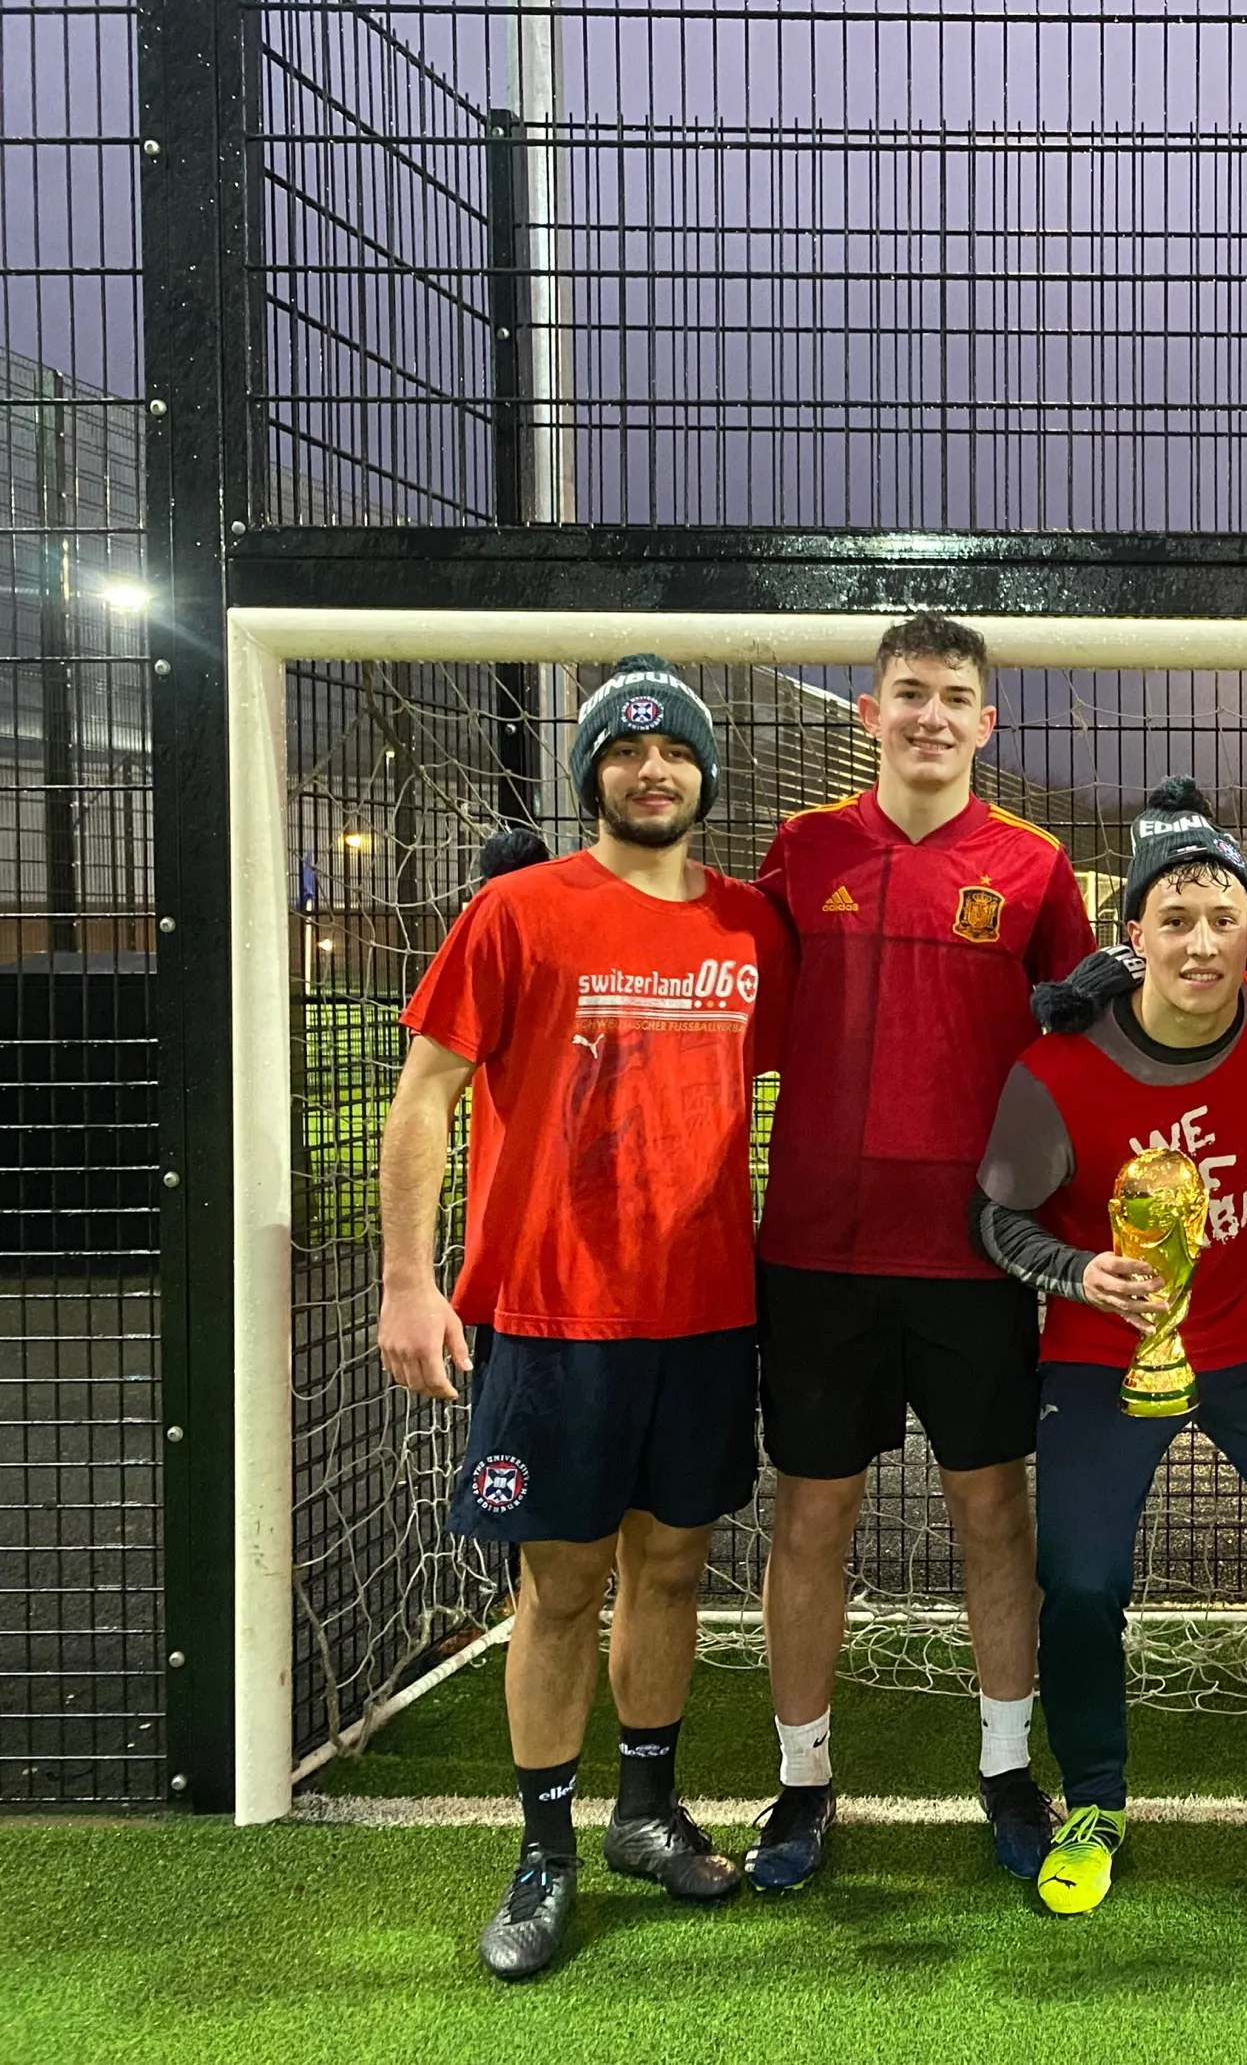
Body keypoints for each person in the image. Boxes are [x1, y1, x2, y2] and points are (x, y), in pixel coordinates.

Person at [375, 657, 794, 1981]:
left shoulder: (752, 929)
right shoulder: (518, 911)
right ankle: (544, 1851)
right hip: (553, 1316)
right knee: (558, 1585)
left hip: (705, 1311)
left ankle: (646, 1813)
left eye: (673, 753)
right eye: (624, 750)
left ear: (706, 775)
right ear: (590, 772)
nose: (650, 770)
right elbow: (425, 1094)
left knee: (672, 1566)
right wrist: (407, 1281)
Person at [973, 780, 1247, 1915]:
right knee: (1083, 1578)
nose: (1201, 944)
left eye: (1221, 920)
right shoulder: (1056, 1070)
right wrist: (1078, 1272)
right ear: (1135, 935)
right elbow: (995, 1217)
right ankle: (1094, 1799)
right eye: (1174, 920)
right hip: (1104, 1351)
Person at [744, 613, 1097, 1891]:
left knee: (993, 1511)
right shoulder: (804, 850)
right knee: (812, 1514)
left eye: (954, 696)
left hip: (976, 1255)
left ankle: (1005, 1769)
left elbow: (1086, 1049)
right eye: (908, 692)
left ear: (986, 723)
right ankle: (802, 1783)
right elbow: (727, 988)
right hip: (817, 1252)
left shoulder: (1036, 866)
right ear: (870, 712)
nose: (930, 715)